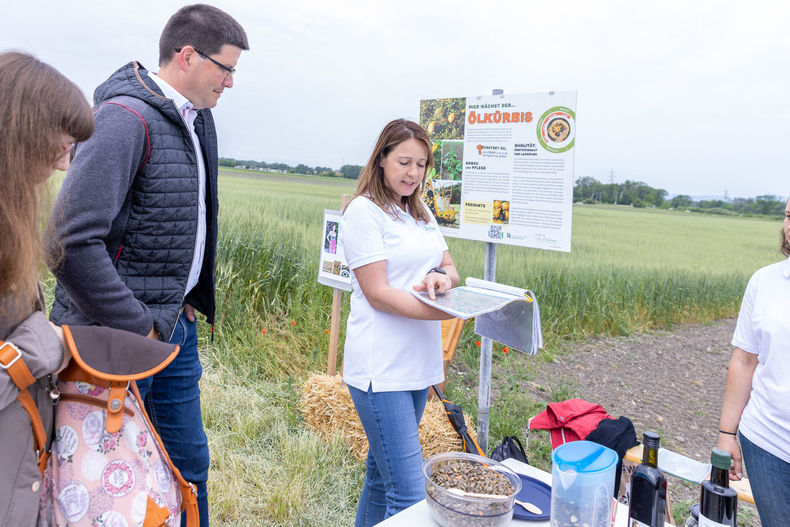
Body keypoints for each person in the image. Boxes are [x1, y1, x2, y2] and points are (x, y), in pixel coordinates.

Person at [45, 5, 248, 525]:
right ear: (187, 57)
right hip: (117, 340)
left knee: (188, 465)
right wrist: (140, 324)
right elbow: (67, 240)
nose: (231, 82)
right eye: (225, 68)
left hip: (175, 330)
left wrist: (183, 308)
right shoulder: (125, 118)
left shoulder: (199, 121)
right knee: (107, 485)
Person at [341, 119, 460, 525]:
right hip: (382, 368)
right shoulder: (364, 212)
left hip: (416, 364)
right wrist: (444, 311)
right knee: (408, 494)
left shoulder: (420, 212)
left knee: (380, 478)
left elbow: (450, 268)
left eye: (422, 164)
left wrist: (440, 279)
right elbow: (378, 292)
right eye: (404, 161)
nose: (413, 173)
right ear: (381, 160)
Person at [0, 51, 93, 527]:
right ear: (19, 135)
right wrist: (36, 349)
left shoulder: (11, 217)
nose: (62, 166)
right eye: (58, 149)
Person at [717, 195, 790, 526]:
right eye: (789, 215)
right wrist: (726, 433)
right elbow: (745, 360)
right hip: (767, 443)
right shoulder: (765, 281)